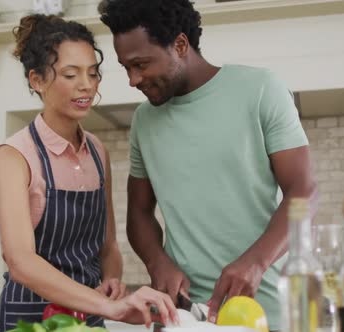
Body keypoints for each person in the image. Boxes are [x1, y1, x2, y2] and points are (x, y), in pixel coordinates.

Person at [99, 1, 317, 331]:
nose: (133, 79)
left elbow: (303, 191)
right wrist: (158, 263)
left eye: (140, 64)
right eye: (126, 67)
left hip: (272, 311)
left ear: (181, 45)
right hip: (188, 318)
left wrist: (255, 263)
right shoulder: (144, 120)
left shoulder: (260, 89)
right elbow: (139, 212)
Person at [0, 14, 178, 332]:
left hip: (87, 319)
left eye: (92, 73)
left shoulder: (97, 151)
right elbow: (20, 261)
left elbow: (108, 248)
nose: (86, 85)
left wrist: (112, 279)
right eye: (70, 74)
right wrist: (111, 307)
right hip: (28, 321)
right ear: (37, 80)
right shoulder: (14, 157)